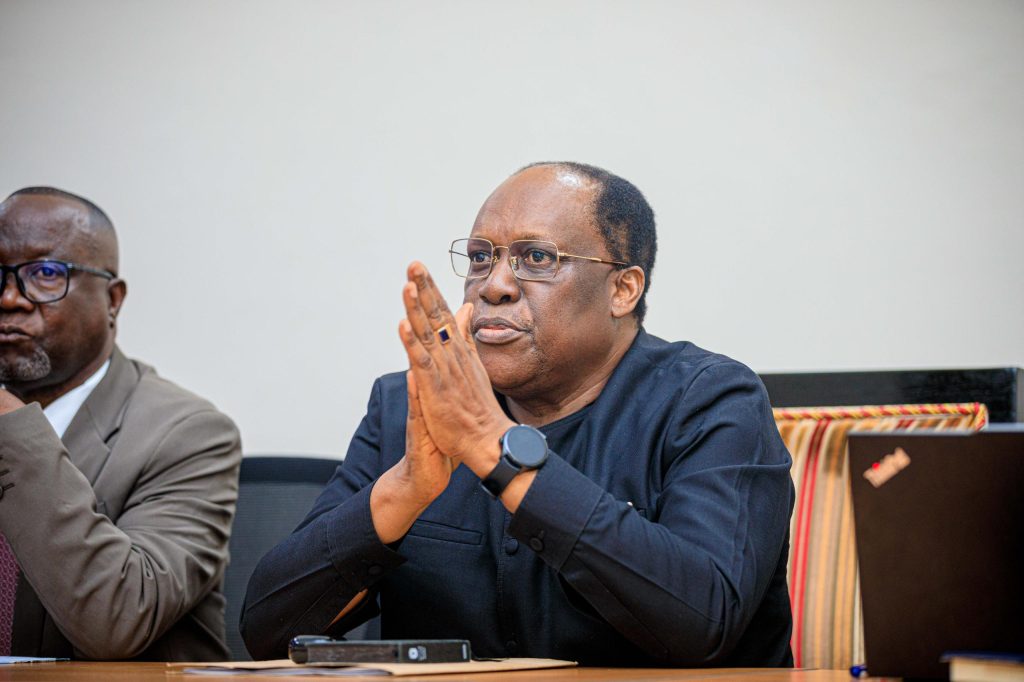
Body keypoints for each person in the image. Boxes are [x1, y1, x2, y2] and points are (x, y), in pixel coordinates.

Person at [241, 162, 794, 666]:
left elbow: (703, 622)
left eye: (537, 259)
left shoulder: (710, 401)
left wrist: (493, 447)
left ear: (623, 289)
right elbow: (267, 630)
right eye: (481, 258)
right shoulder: (407, 407)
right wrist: (405, 488)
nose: (495, 286)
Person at [0, 187, 242, 660]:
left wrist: (11, 427)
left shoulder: (189, 433)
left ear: (113, 300)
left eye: (46, 274)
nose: (10, 298)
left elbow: (116, 620)